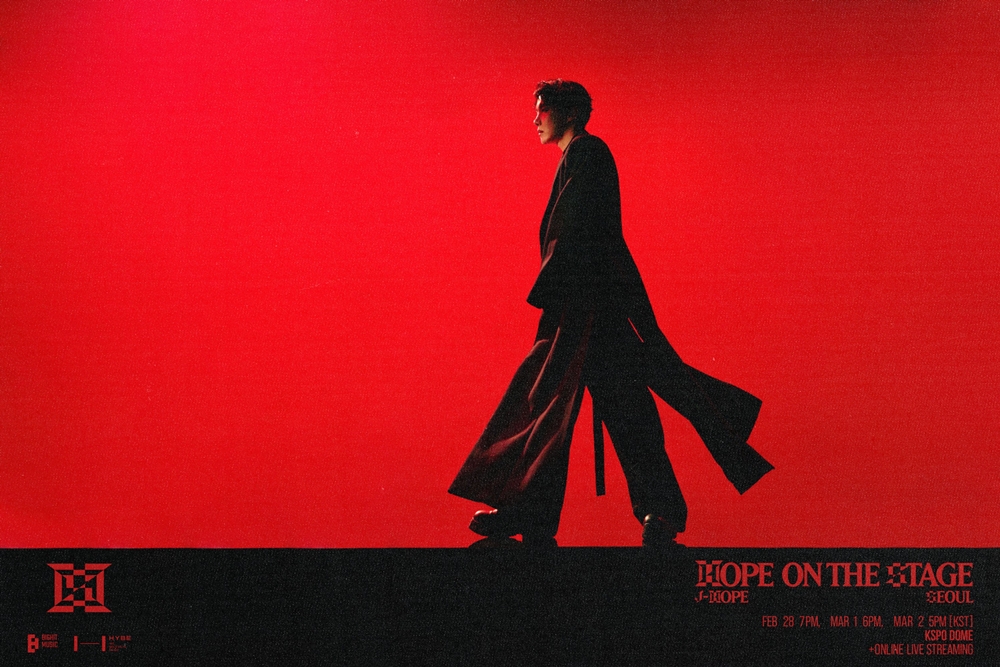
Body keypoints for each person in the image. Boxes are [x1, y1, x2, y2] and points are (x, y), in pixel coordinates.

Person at [448, 80, 772, 548]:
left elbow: (586, 235)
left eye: (542, 109)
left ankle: (601, 511)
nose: (535, 119)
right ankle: (634, 512)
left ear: (569, 113)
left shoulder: (587, 153)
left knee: (566, 406)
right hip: (584, 308)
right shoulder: (581, 156)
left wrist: (572, 300)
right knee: (592, 408)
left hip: (586, 311)